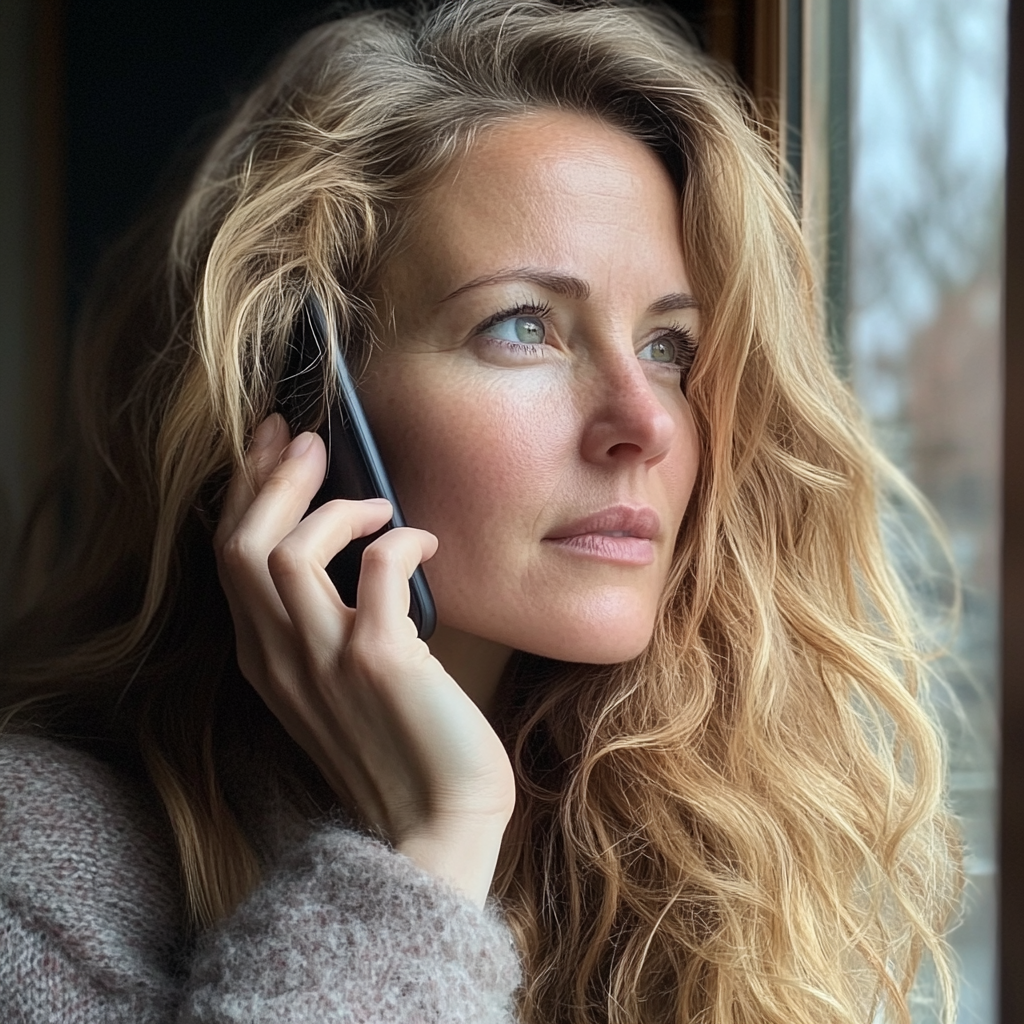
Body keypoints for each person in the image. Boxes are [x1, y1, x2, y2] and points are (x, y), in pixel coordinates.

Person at [0, 1, 962, 1021]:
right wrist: (433, 845)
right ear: (299, 397)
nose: (645, 424)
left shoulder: (691, 855)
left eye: (667, 346)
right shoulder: (40, 870)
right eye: (521, 326)